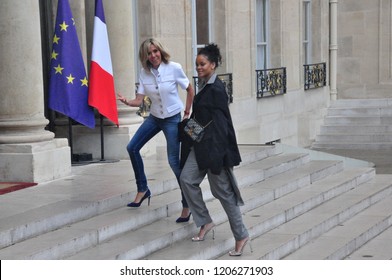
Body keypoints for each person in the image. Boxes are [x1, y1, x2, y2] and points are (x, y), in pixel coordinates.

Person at [179, 43, 251, 256]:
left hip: (214, 151)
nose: (198, 68)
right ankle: (205, 221)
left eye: (202, 64)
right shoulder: (204, 85)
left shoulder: (217, 89)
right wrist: (186, 131)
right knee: (186, 179)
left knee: (224, 193)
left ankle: (241, 235)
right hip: (200, 146)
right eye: (197, 64)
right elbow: (202, 119)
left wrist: (219, 156)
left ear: (213, 64)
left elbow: (221, 126)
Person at [117, 38, 194, 223]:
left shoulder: (174, 67)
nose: (153, 56)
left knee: (174, 163)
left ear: (160, 50)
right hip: (154, 118)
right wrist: (128, 101)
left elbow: (190, 90)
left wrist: (186, 112)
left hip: (172, 119)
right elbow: (139, 100)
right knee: (132, 147)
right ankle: (143, 189)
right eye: (149, 53)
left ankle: (187, 204)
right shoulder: (144, 73)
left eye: (155, 51)